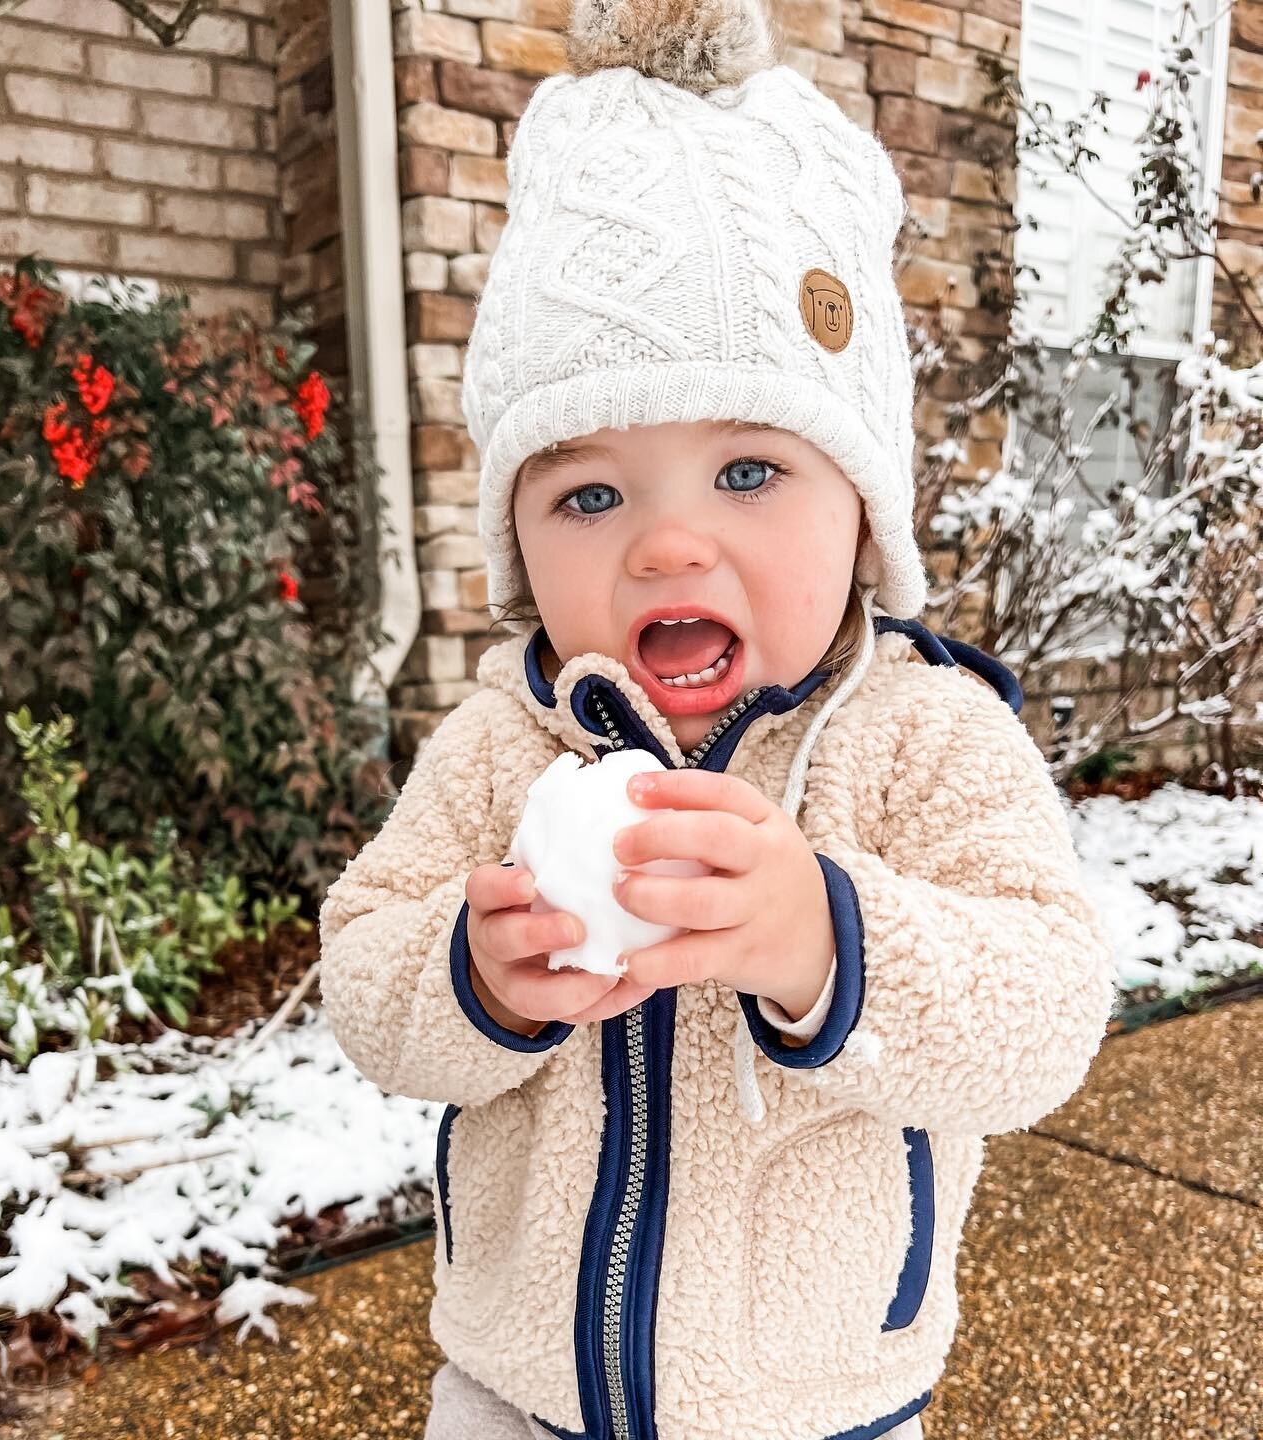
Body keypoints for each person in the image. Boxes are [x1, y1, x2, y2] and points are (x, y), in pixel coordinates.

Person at [319, 1, 1116, 1436]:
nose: (668, 546)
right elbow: (367, 974)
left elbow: (1045, 1010)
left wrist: (827, 939)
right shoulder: (504, 745)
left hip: (816, 1409)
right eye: (590, 493)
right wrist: (475, 979)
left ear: (862, 513)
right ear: (520, 545)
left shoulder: (923, 738)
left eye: (748, 473)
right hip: (515, 1396)